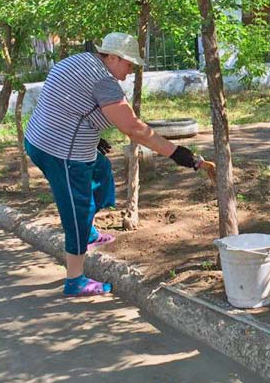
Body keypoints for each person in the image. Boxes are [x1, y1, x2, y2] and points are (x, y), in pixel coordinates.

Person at [24, 32, 216, 298]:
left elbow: (68, 101)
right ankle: (75, 280)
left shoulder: (79, 60)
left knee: (100, 170)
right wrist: (179, 154)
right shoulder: (104, 82)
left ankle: (88, 233)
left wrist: (94, 136)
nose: (130, 70)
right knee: (77, 209)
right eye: (128, 64)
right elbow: (132, 128)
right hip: (61, 152)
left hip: (39, 137)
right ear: (112, 57)